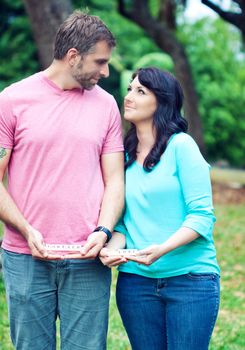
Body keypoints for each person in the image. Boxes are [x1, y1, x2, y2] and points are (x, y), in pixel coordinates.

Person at [0, 11, 124, 350]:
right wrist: (27, 230)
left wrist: (103, 231)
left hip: (87, 259)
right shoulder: (12, 100)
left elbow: (115, 180)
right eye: (100, 61)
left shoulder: (107, 106)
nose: (106, 71)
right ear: (73, 56)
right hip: (26, 258)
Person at [99, 67, 220, 350]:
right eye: (129, 89)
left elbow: (202, 216)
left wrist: (161, 250)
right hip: (136, 285)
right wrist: (112, 248)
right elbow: (125, 224)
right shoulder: (123, 155)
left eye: (140, 91)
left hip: (190, 280)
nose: (129, 96)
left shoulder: (182, 147)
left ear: (162, 101)